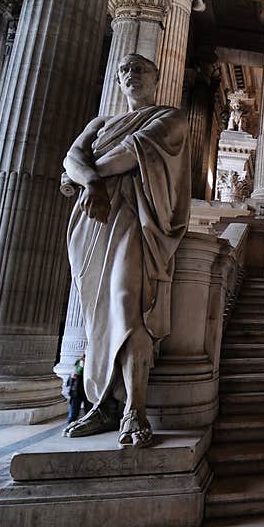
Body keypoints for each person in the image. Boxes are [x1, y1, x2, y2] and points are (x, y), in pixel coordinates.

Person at [61, 53, 190, 447]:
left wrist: (86, 178)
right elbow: (70, 157)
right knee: (96, 313)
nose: (131, 75)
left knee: (125, 301)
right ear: (117, 82)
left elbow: (132, 153)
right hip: (94, 220)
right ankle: (102, 405)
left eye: (139, 69)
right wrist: (93, 185)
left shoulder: (170, 117)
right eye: (124, 70)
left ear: (155, 78)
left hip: (136, 217)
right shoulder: (100, 123)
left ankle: (135, 408)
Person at [64, 353, 91, 424]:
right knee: (74, 411)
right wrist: (81, 366)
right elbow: (77, 372)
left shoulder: (91, 364)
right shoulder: (79, 362)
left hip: (86, 390)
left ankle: (86, 424)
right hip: (76, 390)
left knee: (88, 410)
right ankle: (70, 424)